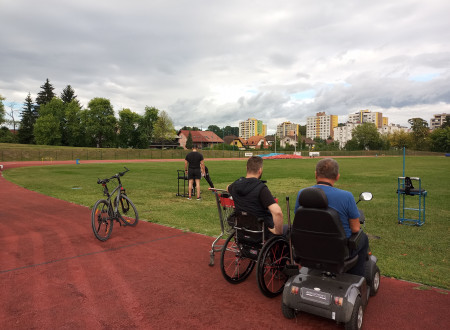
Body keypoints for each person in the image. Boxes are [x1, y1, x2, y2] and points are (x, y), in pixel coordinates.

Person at [294, 158, 369, 277]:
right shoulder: (346, 197)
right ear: (337, 176)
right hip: (338, 252)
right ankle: (357, 277)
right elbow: (355, 229)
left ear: (316, 174)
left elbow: (300, 221)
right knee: (363, 238)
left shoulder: (302, 194)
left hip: (308, 248)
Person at [227, 156, 284, 236]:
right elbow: (277, 212)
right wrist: (278, 231)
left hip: (242, 230)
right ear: (260, 171)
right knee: (288, 229)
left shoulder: (235, 185)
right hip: (261, 232)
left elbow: (228, 188)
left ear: (246, 168)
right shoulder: (261, 189)